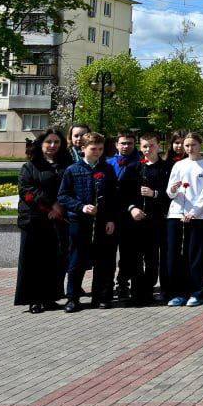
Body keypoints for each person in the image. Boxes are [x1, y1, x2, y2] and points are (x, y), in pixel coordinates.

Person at [60, 132, 117, 312]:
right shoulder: (72, 170)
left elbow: (113, 196)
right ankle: (73, 298)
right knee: (77, 260)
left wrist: (110, 219)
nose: (97, 152)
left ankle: (101, 296)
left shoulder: (107, 169)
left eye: (100, 149)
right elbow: (63, 196)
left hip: (101, 222)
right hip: (80, 222)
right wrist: (80, 207)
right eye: (93, 149)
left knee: (104, 261)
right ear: (82, 148)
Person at [16, 128, 70, 312]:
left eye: (56, 142)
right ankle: (34, 299)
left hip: (58, 219)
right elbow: (27, 191)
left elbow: (70, 187)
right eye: (49, 142)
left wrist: (60, 207)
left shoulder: (66, 164)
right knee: (34, 261)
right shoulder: (30, 166)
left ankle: (50, 297)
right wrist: (49, 205)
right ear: (41, 144)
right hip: (35, 219)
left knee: (54, 260)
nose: (52, 145)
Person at [165, 132, 203, 307]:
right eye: (186, 145)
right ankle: (178, 293)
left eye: (193, 145)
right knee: (176, 256)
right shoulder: (179, 165)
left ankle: (197, 293)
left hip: (199, 216)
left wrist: (194, 211)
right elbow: (169, 192)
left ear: (200, 145)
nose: (189, 148)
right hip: (177, 214)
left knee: (197, 255)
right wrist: (173, 189)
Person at [130, 133, 171, 306]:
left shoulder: (166, 168)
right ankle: (138, 292)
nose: (148, 150)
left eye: (151, 146)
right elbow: (124, 193)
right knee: (138, 257)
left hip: (158, 219)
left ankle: (150, 290)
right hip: (138, 219)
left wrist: (155, 194)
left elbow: (172, 194)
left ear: (158, 146)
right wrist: (132, 208)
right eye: (145, 146)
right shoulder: (134, 168)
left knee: (153, 258)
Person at [107, 132, 142, 304]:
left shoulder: (140, 163)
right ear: (116, 144)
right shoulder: (108, 163)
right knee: (108, 252)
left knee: (129, 254)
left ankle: (124, 283)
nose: (126, 146)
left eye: (129, 143)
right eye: (123, 143)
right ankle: (106, 286)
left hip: (131, 215)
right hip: (112, 214)